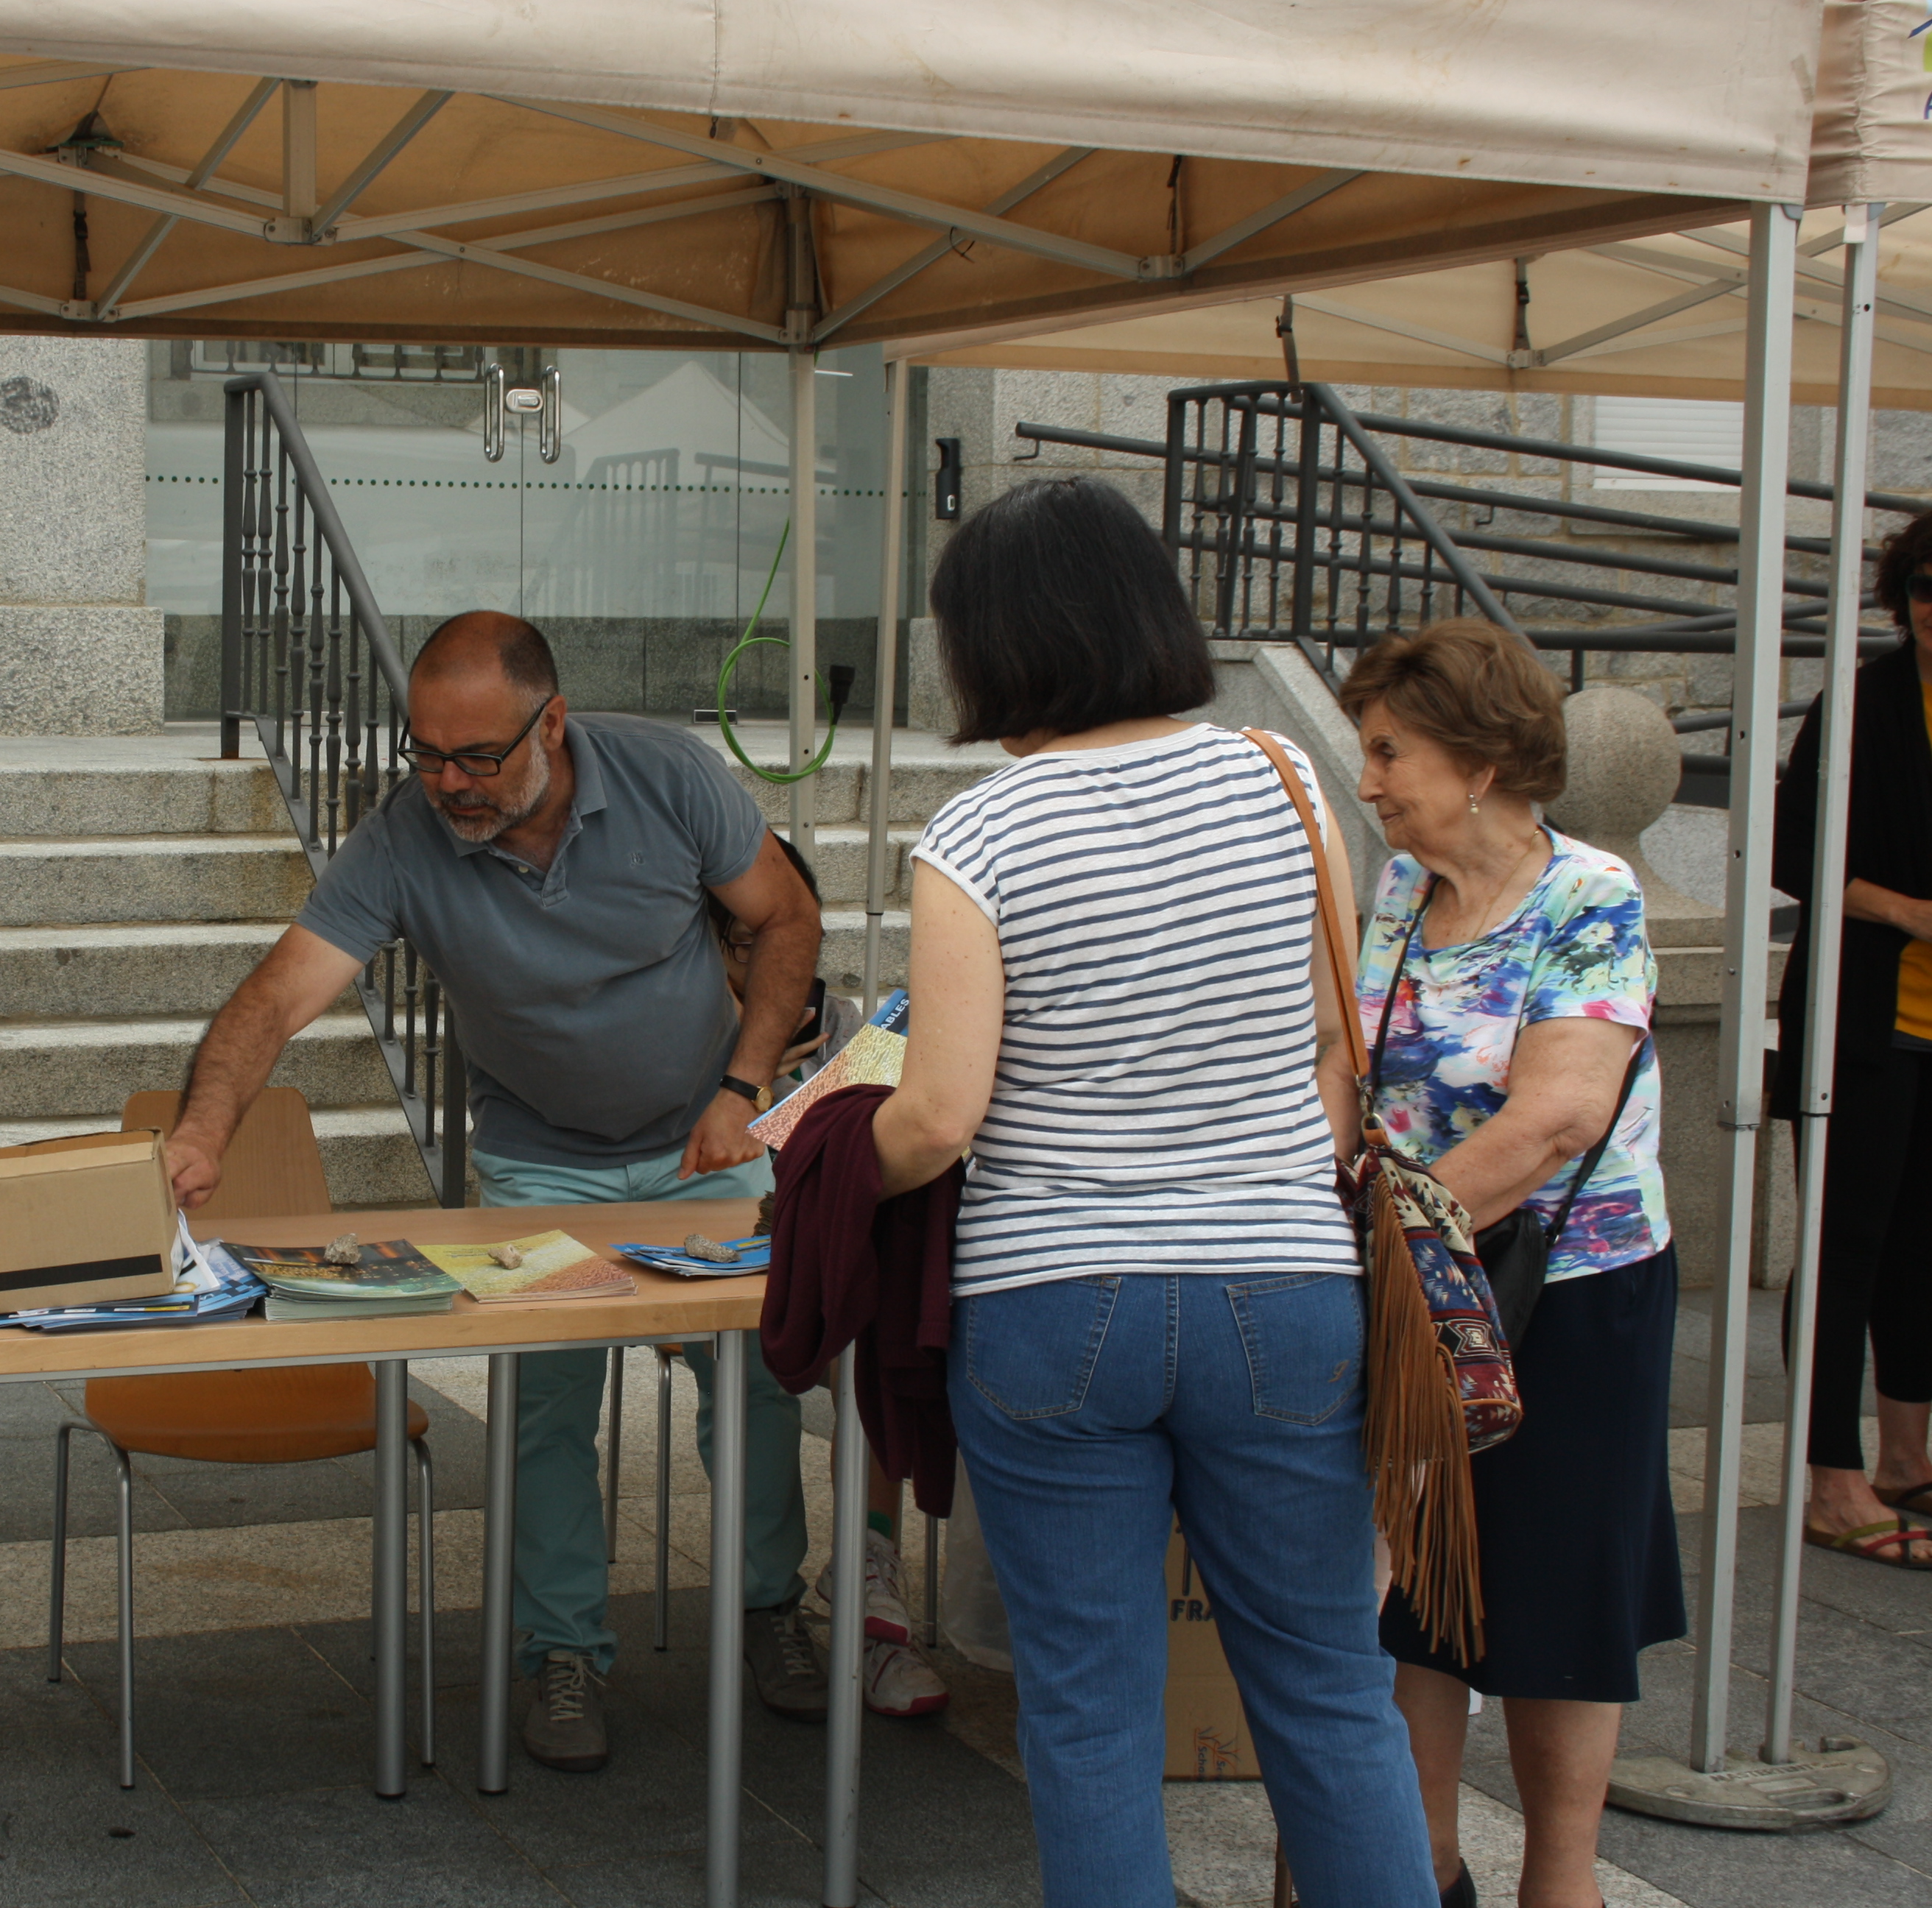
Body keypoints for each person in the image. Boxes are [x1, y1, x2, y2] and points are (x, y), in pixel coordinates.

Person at [870, 476, 1434, 1908]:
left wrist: (827, 1159)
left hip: (1054, 1303)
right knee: (1327, 1693)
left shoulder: (976, 840)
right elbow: (1325, 1047)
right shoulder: (1288, 782)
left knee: (1088, 1710)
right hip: (1284, 1285)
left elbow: (939, 1116)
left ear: (990, 645)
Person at [165, 612, 827, 1773]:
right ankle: (560, 1650)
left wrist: (745, 1081)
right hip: (539, 1161)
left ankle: (774, 1607)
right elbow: (275, 998)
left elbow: (785, 918)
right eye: (425, 755)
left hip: (706, 1147)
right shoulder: (403, 836)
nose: (449, 784)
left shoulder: (670, 776)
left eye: (478, 758)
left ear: (553, 723)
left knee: (761, 1376)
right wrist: (203, 1131)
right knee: (547, 1410)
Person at [1342, 618, 1679, 1908]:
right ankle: (1415, 1869)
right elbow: (1349, 1063)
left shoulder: (1587, 892)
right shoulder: (1398, 884)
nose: (1367, 781)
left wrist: (1389, 1236)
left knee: (1556, 1600)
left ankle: (1560, 1882)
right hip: (1422, 1287)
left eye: (1388, 751)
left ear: (1477, 760)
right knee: (1413, 1590)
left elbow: (1556, 1118)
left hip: (1568, 1293)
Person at [711, 838, 948, 1719]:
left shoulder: (851, 1026)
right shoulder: (694, 1034)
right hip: (738, 1270)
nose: (773, 964)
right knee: (847, 1360)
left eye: (786, 940)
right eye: (743, 945)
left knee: (889, 1343)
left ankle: (867, 1573)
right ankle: (858, 1583)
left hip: (842, 1265)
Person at [1774, 509, 1932, 1569]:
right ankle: (1831, 1474)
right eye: (1923, 593)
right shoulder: (1862, 704)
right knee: (1847, 1245)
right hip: (1867, 1025)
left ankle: (1908, 1459)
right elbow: (1796, 854)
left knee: (1925, 1251)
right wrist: (1910, 913)